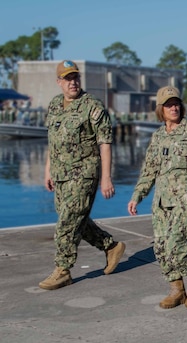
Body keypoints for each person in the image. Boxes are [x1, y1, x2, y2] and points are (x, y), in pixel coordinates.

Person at [127, 86, 187, 309]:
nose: (174, 107)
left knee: (175, 246)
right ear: (161, 109)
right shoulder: (158, 136)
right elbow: (149, 169)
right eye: (169, 104)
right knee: (160, 248)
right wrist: (137, 195)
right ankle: (176, 288)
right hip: (162, 201)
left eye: (177, 103)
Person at [39, 60, 126, 290]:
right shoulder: (55, 105)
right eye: (68, 79)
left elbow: (105, 142)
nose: (73, 82)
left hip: (84, 174)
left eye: (76, 77)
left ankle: (63, 269)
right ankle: (110, 246)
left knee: (67, 223)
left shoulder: (92, 106)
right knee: (76, 219)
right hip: (60, 175)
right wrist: (48, 169)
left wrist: (106, 177)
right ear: (59, 82)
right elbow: (53, 141)